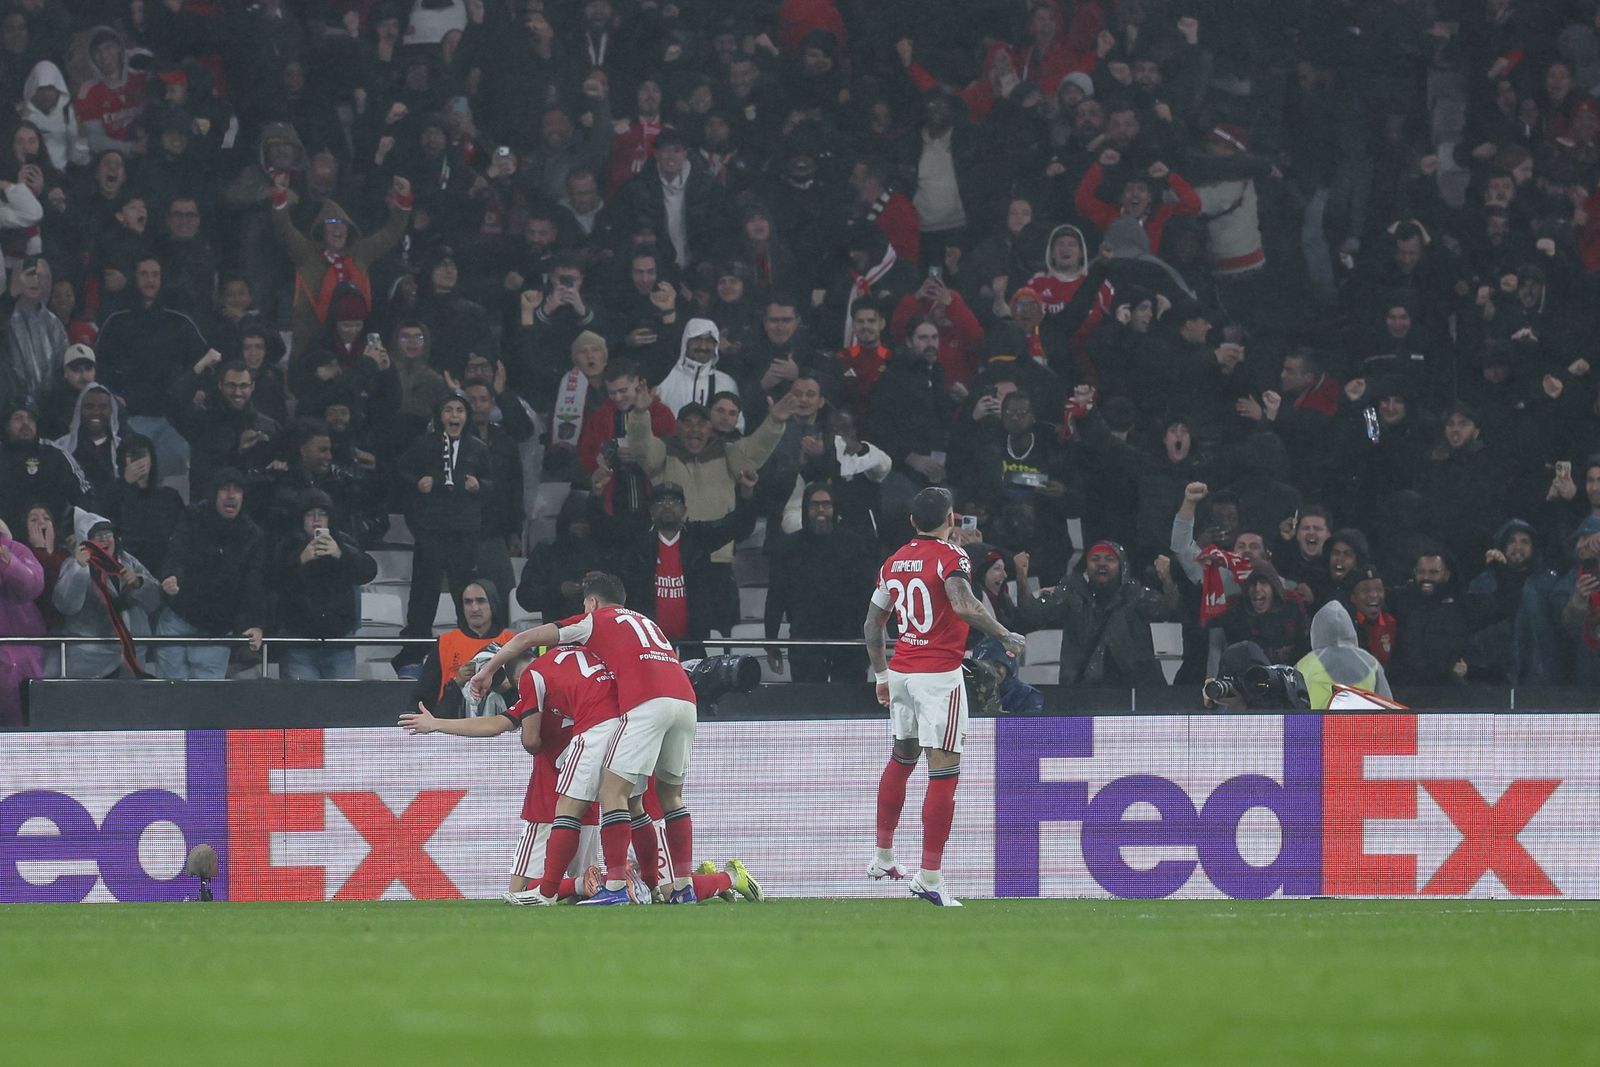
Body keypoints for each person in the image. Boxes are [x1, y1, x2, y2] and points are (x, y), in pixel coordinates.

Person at [468, 573, 703, 905]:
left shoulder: (593, 621)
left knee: (612, 794)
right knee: (669, 799)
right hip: (686, 701)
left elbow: (524, 640)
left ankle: (616, 887)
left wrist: (487, 669)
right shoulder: (646, 622)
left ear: (591, 602)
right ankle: (682, 886)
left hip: (644, 704)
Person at [862, 486, 1026, 907]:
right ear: (951, 519)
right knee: (944, 772)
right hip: (938, 676)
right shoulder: (954, 557)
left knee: (902, 758)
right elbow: (963, 605)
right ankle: (929, 877)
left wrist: (882, 675)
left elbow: (872, 623)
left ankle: (882, 857)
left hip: (901, 671)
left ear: (913, 523)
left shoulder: (894, 561)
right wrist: (1005, 633)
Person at [394, 392, 491, 673]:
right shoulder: (423, 445)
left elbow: (497, 484)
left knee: (465, 589)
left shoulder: (479, 448)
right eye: (448, 410)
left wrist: (480, 485)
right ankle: (414, 653)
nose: (454, 416)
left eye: (459, 410)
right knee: (424, 592)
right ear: (440, 416)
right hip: (430, 529)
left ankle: (470, 648)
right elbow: (400, 472)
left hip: (464, 530)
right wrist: (417, 482)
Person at [155, 468, 267, 680]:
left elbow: (253, 584)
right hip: (179, 618)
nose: (231, 496)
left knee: (206, 701)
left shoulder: (252, 535)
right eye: (225, 489)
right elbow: (176, 553)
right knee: (169, 696)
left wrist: (255, 623)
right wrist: (171, 577)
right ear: (215, 493)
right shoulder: (193, 516)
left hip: (217, 627)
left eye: (237, 490)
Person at [1015, 541, 1176, 686]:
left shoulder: (1134, 594)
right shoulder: (1071, 594)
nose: (1102, 564)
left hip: (1135, 688)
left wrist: (1167, 579)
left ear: (1122, 566)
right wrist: (1022, 578)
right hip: (1083, 690)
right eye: (1095, 559)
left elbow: (1168, 609)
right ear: (1086, 566)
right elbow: (1033, 613)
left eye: (1109, 559)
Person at [272, 490, 377, 680]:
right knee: (303, 707)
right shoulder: (287, 546)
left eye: (322, 514)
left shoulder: (343, 542)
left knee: (339, 707)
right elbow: (272, 582)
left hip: (338, 644)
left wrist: (341, 554)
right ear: (301, 518)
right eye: (310, 514)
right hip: (298, 643)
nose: (316, 520)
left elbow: (368, 571)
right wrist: (300, 560)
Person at [52, 508, 158, 679]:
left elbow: (155, 601)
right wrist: (79, 569)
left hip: (131, 659)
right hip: (89, 661)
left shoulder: (128, 561)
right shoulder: (73, 565)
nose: (105, 539)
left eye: (108, 534)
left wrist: (139, 583)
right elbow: (66, 605)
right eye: (98, 535)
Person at [413, 580, 516, 715]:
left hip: (502, 723)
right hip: (451, 724)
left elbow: (530, 697)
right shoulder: (445, 642)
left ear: (493, 603)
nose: (474, 608)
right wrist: (457, 682)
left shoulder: (513, 642)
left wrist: (509, 686)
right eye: (468, 602)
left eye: (481, 601)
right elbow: (422, 699)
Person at [1294, 600, 1395, 710]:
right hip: (1362, 726)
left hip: (1316, 726)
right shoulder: (1371, 663)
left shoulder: (1304, 665)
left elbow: (1291, 712)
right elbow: (1389, 712)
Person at [0, 517, 44, 725]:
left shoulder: (17, 550)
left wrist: (10, 564)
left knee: (21, 725)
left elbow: (34, 586)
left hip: (21, 651)